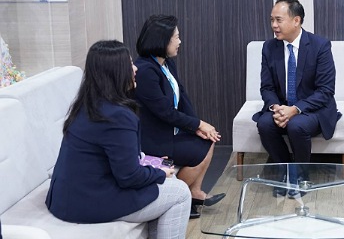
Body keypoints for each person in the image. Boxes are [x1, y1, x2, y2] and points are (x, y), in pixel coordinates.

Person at [45, 41, 190, 239]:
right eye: (129, 64)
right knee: (180, 193)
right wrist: (158, 173)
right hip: (90, 201)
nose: (135, 69)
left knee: (168, 183)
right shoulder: (117, 116)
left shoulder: (86, 105)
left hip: (66, 197)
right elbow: (129, 176)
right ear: (115, 72)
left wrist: (149, 164)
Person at [134, 15, 225, 219]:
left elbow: (181, 96)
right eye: (176, 37)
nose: (180, 41)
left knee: (208, 138)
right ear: (162, 40)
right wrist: (197, 124)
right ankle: (177, 198)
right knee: (199, 150)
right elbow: (165, 112)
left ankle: (194, 193)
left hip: (171, 131)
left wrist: (198, 127)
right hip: (154, 139)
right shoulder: (145, 71)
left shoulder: (166, 63)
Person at [252, 0, 340, 195]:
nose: (274, 25)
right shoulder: (269, 47)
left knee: (296, 125)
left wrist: (295, 109)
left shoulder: (320, 46)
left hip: (313, 109)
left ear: (296, 20)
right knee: (264, 124)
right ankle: (286, 172)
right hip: (282, 106)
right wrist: (276, 108)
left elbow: (326, 90)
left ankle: (301, 176)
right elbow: (267, 87)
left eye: (279, 20)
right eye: (272, 20)